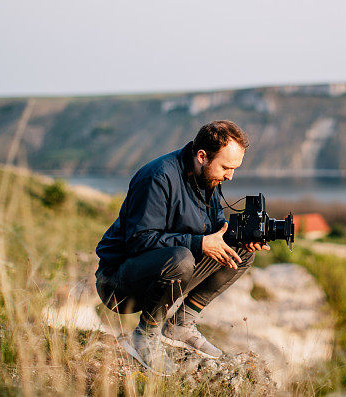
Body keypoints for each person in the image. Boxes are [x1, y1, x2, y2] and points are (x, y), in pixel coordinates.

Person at [94, 120, 269, 374]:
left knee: (240, 251)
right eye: (226, 167)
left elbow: (214, 229)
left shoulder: (207, 179)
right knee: (182, 257)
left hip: (165, 269)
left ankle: (181, 323)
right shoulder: (157, 177)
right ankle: (146, 336)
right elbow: (138, 241)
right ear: (202, 156)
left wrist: (242, 236)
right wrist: (198, 243)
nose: (230, 175)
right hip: (118, 283)